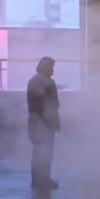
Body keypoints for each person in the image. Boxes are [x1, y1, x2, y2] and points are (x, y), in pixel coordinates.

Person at [27, 56, 61, 191]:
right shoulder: (46, 82)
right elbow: (48, 105)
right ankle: (44, 180)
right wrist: (52, 123)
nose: (53, 70)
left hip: (35, 121)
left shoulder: (33, 80)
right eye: (51, 67)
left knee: (38, 152)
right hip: (44, 122)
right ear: (45, 67)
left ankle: (37, 180)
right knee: (45, 152)